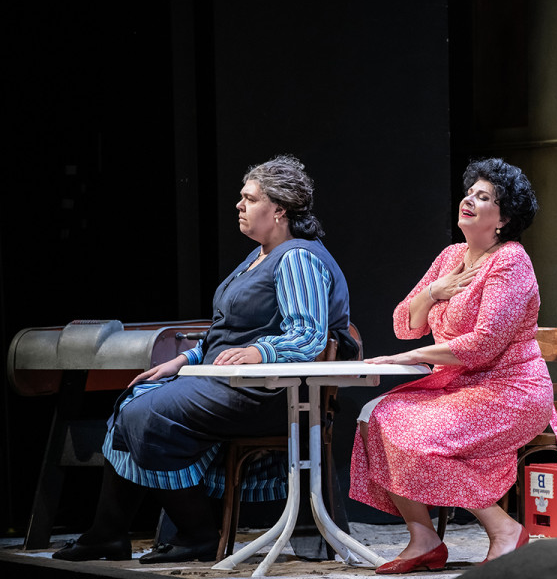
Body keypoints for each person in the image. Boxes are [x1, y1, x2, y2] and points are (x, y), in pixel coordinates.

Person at [53, 155, 356, 564]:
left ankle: (196, 533)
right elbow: (229, 331)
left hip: (273, 394)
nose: (239, 205)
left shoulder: (297, 258)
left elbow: (308, 335)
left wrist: (259, 352)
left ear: (279, 210)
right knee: (134, 400)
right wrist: (184, 359)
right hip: (234, 383)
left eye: (249, 198)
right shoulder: (261, 255)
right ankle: (108, 533)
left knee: (147, 414)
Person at [349, 158, 557, 574]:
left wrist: (411, 358)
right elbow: (405, 323)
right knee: (371, 418)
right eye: (470, 192)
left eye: (484, 197)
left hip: (510, 392)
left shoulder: (511, 262)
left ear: (502, 219)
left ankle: (505, 530)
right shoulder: (451, 256)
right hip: (457, 387)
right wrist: (434, 290)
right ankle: (425, 538)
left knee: (411, 437)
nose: (469, 198)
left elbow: (484, 344)